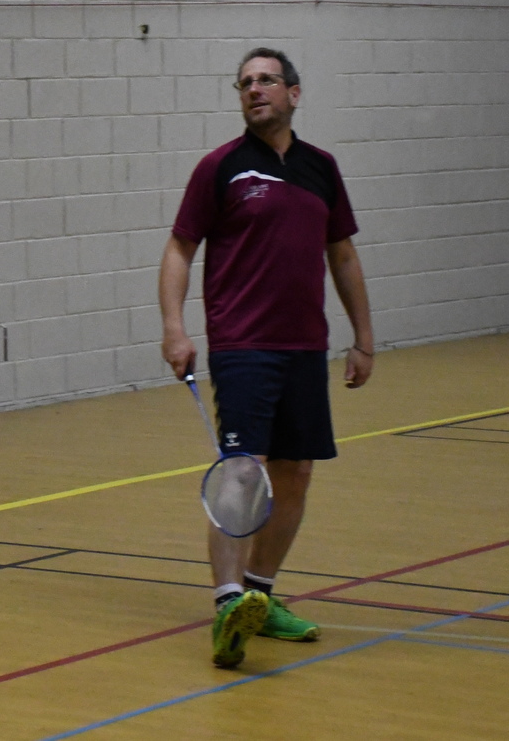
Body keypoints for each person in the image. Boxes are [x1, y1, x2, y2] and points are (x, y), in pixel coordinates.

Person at [157, 48, 374, 669]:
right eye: (245, 83)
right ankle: (228, 603)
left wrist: (363, 337)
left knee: (296, 473)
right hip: (243, 344)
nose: (254, 90)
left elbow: (342, 254)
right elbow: (179, 250)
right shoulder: (221, 168)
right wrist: (174, 329)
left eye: (266, 80)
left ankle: (260, 593)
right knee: (244, 471)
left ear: (293, 93)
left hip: (305, 346)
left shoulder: (320, 168)